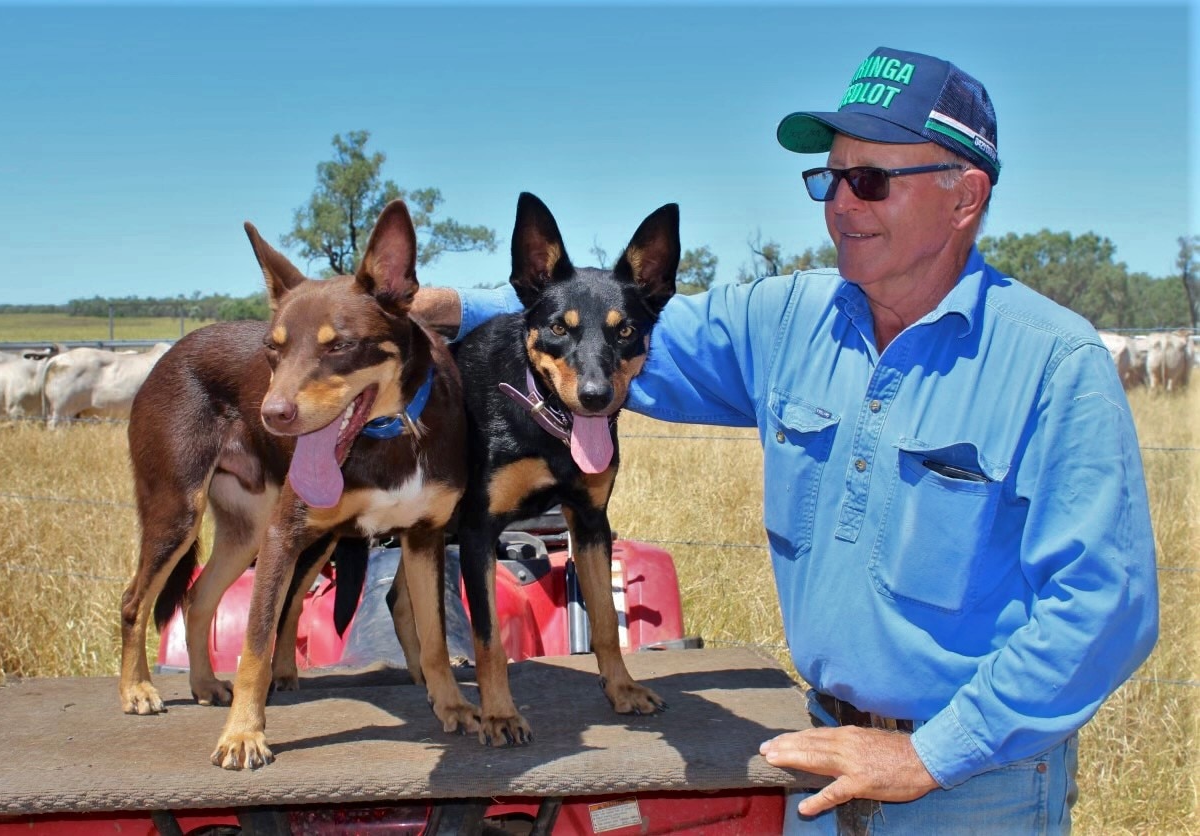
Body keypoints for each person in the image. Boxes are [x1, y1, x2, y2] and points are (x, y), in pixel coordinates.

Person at [414, 46, 1159, 834]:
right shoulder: (787, 322)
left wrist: (931, 755)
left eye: (869, 179)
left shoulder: (1053, 363)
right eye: (828, 179)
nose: (839, 204)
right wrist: (433, 307)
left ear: (964, 196)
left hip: (978, 786)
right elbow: (598, 319)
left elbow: (1106, 608)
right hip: (819, 759)